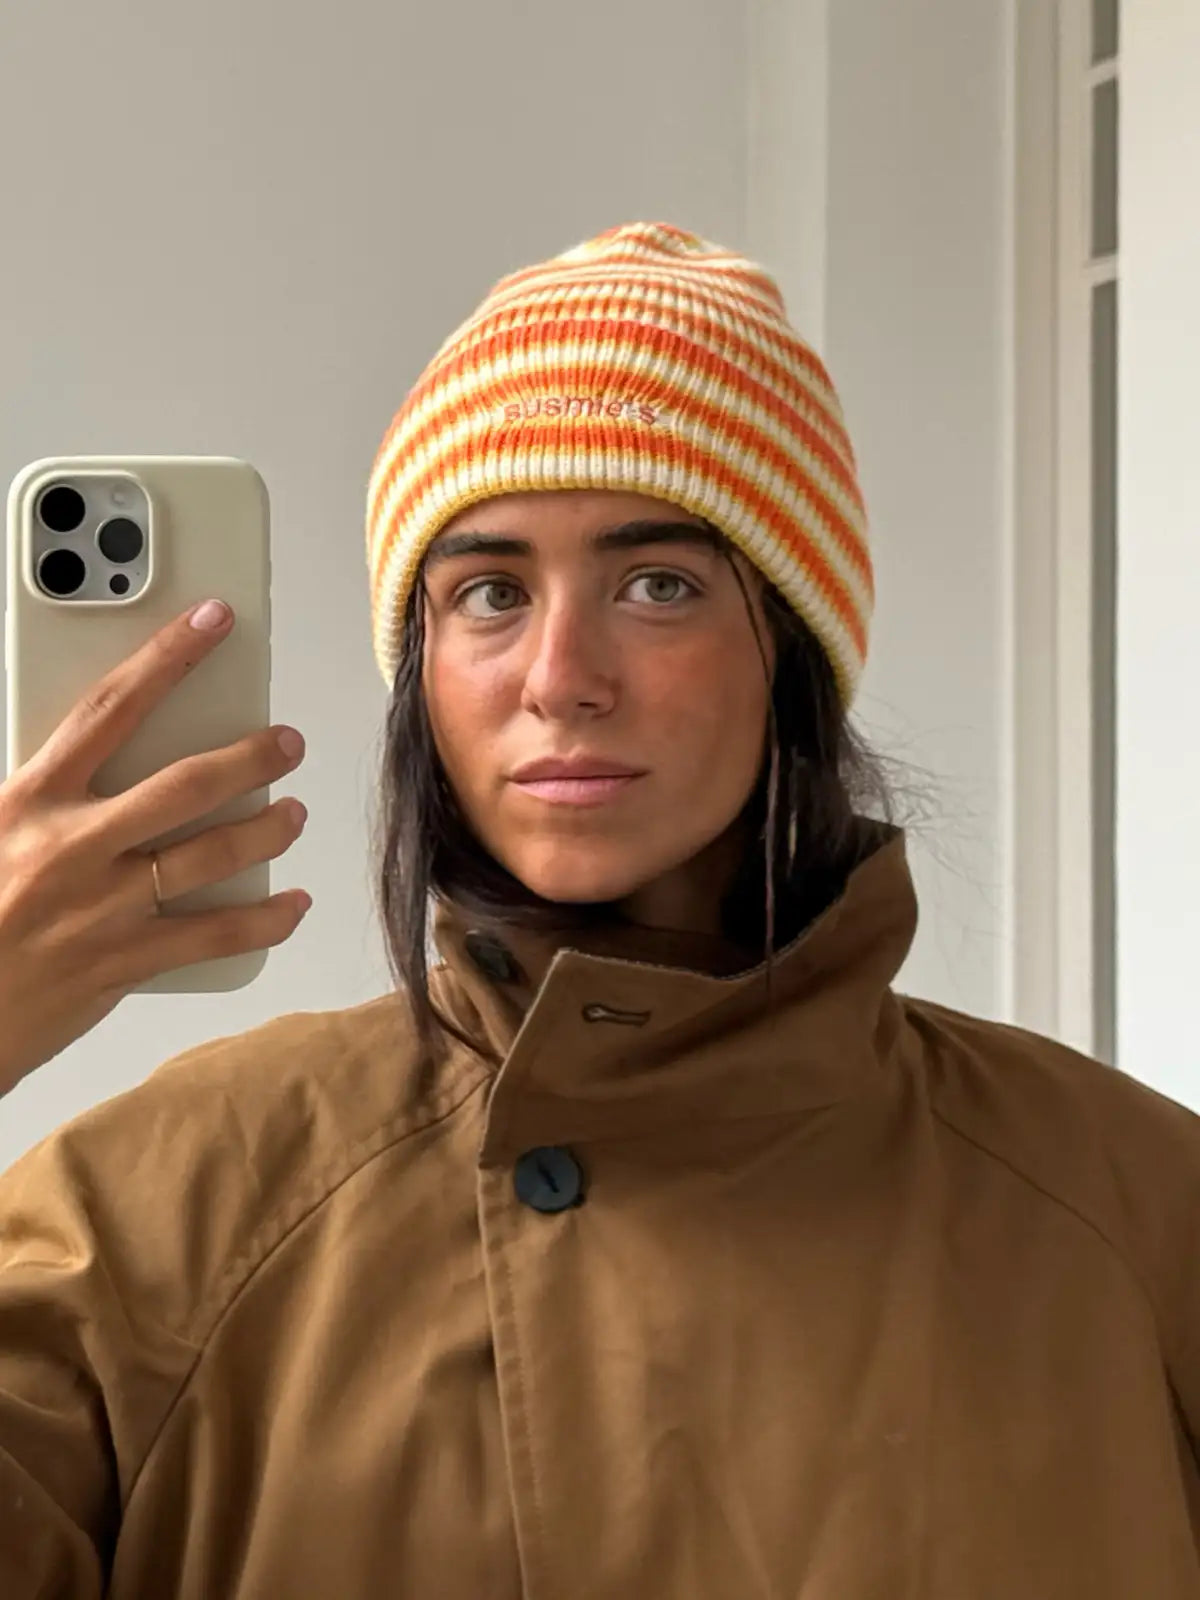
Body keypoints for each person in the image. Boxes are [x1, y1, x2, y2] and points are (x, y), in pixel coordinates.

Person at [1, 222, 1198, 1600]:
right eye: (492, 592)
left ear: (793, 654)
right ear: (426, 676)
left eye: (659, 584)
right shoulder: (168, 1215)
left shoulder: (1132, 1212)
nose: (562, 677)